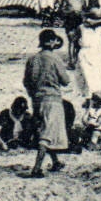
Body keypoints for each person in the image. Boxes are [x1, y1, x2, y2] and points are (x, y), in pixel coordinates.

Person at [23, 29, 71, 177]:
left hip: (37, 99)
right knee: (47, 133)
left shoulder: (32, 59)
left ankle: (56, 161)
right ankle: (36, 168)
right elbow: (66, 81)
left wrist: (33, 95)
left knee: (44, 129)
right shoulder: (55, 59)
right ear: (50, 42)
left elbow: (26, 82)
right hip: (52, 98)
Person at [75, 9, 101, 98]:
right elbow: (76, 42)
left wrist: (94, 21)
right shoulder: (81, 28)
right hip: (85, 53)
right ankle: (88, 97)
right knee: (86, 76)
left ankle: (95, 98)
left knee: (98, 76)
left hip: (97, 53)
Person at [61, 0, 88, 67]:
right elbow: (61, 10)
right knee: (71, 41)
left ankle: (75, 59)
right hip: (70, 21)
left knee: (78, 43)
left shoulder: (82, 0)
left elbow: (85, 11)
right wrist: (70, 11)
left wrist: (82, 14)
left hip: (79, 22)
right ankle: (71, 61)